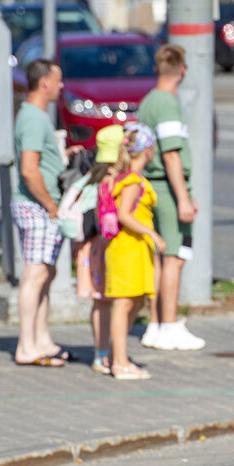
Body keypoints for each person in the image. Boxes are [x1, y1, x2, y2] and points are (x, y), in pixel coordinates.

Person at [12, 58, 83, 367]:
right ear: (44, 83)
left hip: (41, 206)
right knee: (36, 274)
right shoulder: (32, 118)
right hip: (37, 206)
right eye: (58, 80)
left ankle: (41, 340)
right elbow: (29, 170)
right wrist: (51, 206)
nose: (61, 86)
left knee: (46, 273)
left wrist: (62, 156)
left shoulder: (35, 116)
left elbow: (38, 162)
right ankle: (26, 345)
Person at [136, 44, 205, 351]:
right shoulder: (166, 103)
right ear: (183, 70)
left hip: (153, 184)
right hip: (167, 187)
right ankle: (168, 326)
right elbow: (172, 155)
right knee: (174, 258)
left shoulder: (149, 100)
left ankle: (154, 325)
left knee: (158, 259)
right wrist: (183, 199)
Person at [104, 123, 165, 380]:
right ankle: (119, 363)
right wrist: (151, 233)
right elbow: (124, 215)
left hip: (135, 249)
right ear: (148, 150)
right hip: (126, 249)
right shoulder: (131, 181)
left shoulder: (135, 178)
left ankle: (115, 354)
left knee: (136, 301)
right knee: (124, 303)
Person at [73, 125, 126, 375]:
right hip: (101, 247)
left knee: (99, 303)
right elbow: (108, 223)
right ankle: (104, 355)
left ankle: (100, 352)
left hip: (88, 247)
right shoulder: (111, 181)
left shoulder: (91, 175)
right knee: (106, 302)